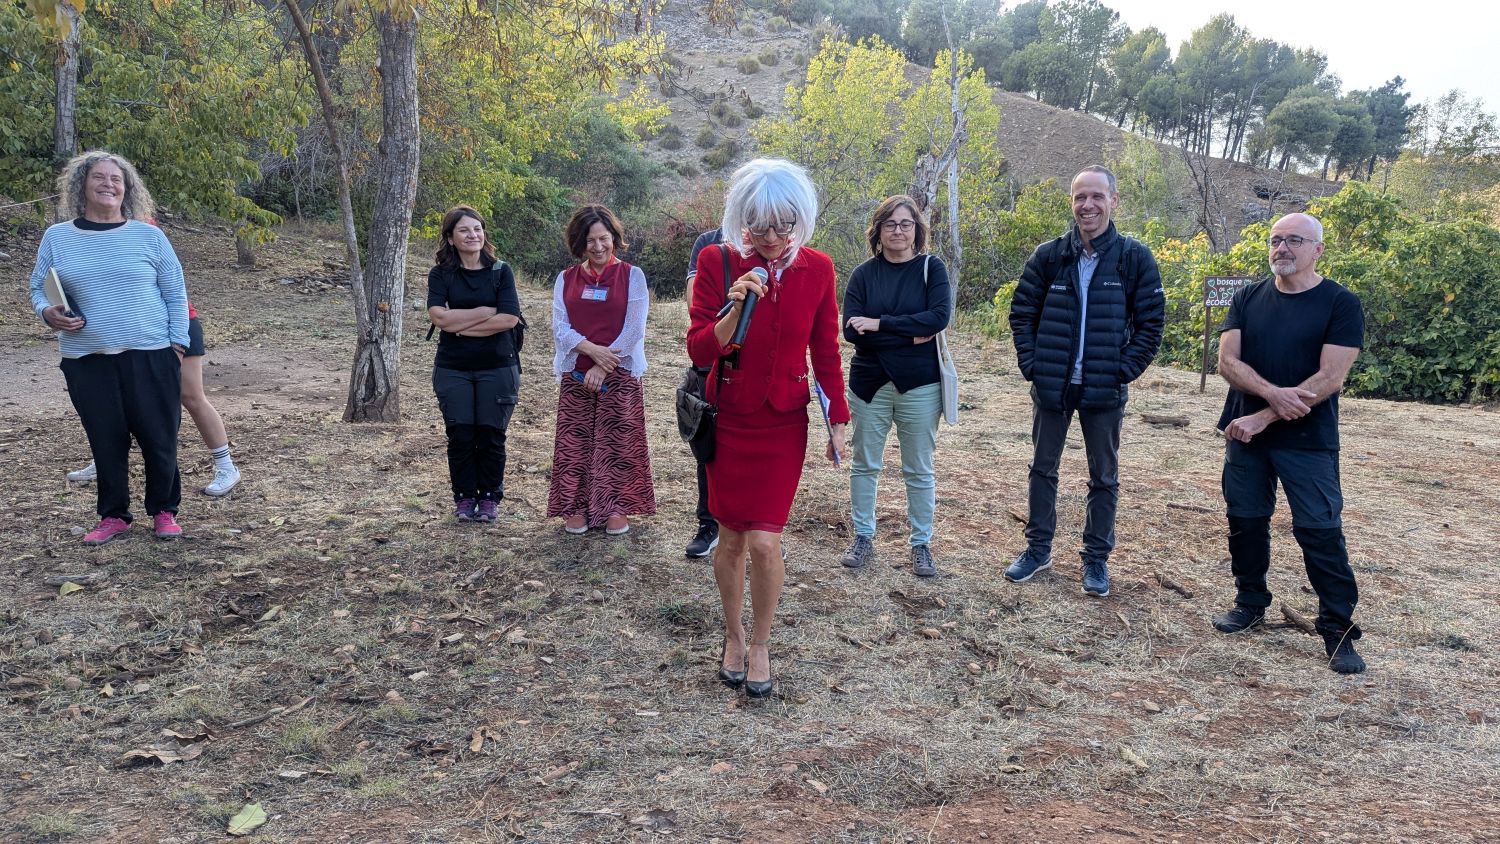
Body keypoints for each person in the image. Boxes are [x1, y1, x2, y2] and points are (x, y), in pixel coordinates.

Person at [687, 158, 849, 698]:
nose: (774, 237)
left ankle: (760, 642)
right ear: (743, 221)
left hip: (782, 421)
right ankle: (731, 637)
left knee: (764, 541)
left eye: (786, 225)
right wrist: (735, 304)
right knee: (729, 538)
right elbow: (702, 348)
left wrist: (837, 421)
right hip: (729, 417)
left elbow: (825, 351)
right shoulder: (717, 261)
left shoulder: (819, 269)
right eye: (761, 226)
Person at [1212, 213, 1367, 674]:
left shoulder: (1341, 304)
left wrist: (1263, 414)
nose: (1282, 248)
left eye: (1294, 240)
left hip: (1308, 441)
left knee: (1319, 531)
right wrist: (1274, 396)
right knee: (1245, 521)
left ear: (1317, 249)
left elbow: (1330, 378)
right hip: (1245, 438)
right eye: (1276, 240)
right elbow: (1227, 362)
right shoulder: (1247, 298)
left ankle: (1338, 630)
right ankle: (1250, 602)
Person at [1005, 165, 1164, 597]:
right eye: (1080, 197)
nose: (1087, 205)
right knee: (1042, 468)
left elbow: (1152, 325)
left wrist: (1122, 369)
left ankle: (1096, 559)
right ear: (1072, 202)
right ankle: (1037, 550)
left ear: (1114, 201)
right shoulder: (1050, 255)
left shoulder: (1134, 258)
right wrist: (1034, 367)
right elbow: (1021, 314)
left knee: (1104, 476)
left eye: (1096, 196)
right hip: (1053, 385)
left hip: (1104, 390)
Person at [29, 150, 189, 544]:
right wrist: (48, 313)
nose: (108, 184)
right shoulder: (58, 236)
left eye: (116, 179)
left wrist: (177, 347)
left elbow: (175, 292)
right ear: (81, 184)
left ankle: (164, 511)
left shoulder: (149, 235)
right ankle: (113, 515)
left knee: (159, 436)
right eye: (99, 177)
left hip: (150, 353)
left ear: (127, 189)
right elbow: (37, 287)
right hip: (87, 358)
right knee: (105, 438)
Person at [838, 195, 951, 578]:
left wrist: (881, 324)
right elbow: (851, 331)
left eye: (906, 224)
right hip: (869, 384)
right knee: (865, 463)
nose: (898, 231)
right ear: (878, 231)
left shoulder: (931, 269)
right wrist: (910, 332)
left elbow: (937, 318)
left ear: (917, 230)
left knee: (918, 468)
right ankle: (863, 537)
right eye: (890, 224)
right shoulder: (863, 275)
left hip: (920, 386)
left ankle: (921, 544)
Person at [546, 204, 655, 535]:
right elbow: (560, 326)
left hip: (618, 373)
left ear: (614, 238)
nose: (598, 247)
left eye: (604, 239)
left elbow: (634, 328)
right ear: (580, 242)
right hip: (576, 371)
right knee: (574, 442)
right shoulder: (566, 279)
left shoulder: (632, 276)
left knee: (617, 442)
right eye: (590, 240)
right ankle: (574, 507)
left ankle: (616, 508)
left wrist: (604, 366)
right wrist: (591, 352)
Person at [67, 297, 242, 498]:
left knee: (191, 396)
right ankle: (105, 463)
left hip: (175, 326)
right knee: (125, 399)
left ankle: (226, 467)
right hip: (135, 335)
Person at [426, 205, 523, 523]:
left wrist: (458, 325)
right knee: (461, 435)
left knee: (491, 435)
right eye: (464, 230)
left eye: (478, 228)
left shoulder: (500, 271)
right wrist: (485, 312)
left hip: (497, 366)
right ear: (451, 238)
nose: (473, 235)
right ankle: (465, 498)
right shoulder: (442, 274)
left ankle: (490, 497)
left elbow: (508, 318)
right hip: (453, 367)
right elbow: (438, 317)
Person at [682, 226, 724, 558]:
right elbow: (695, 300)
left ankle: (760, 532)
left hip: (757, 367)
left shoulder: (778, 240)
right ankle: (709, 525)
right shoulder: (708, 242)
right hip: (710, 359)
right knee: (707, 445)